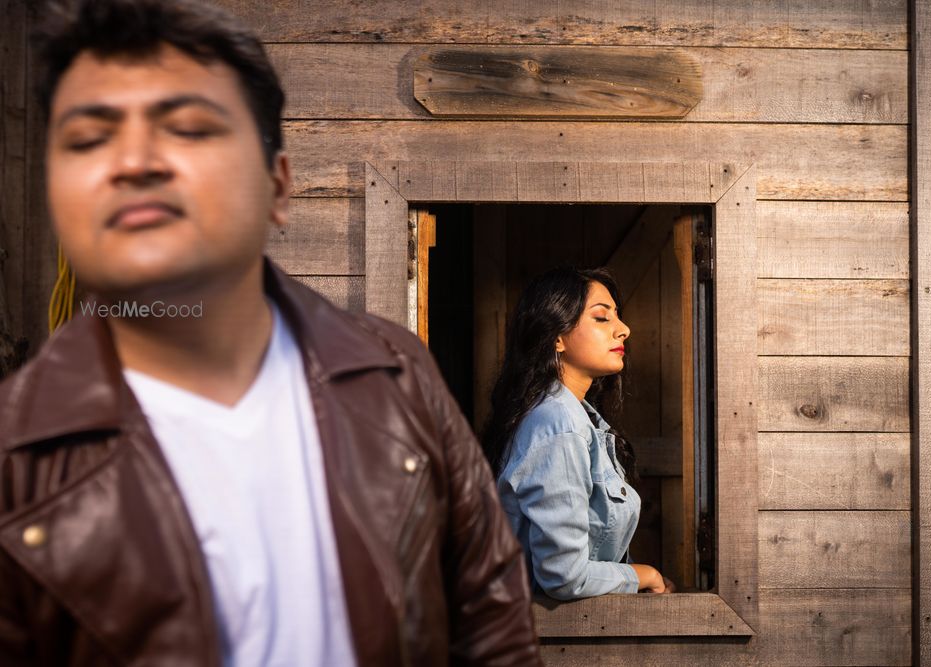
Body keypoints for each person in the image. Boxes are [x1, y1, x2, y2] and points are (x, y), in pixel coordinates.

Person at [0, 1, 541, 665]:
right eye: (88, 139)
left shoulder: (397, 374)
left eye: (188, 128)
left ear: (278, 187)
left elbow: (493, 627)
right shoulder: (15, 459)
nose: (134, 161)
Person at [482, 267, 676, 600]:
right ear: (556, 337)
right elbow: (563, 576)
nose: (624, 330)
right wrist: (643, 575)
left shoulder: (577, 417)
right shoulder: (558, 424)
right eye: (602, 318)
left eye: (618, 317)